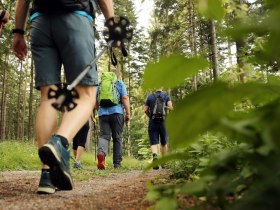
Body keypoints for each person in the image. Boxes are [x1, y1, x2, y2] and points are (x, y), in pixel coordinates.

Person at [12, 0, 116, 194]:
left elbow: (22, 1)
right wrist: (112, 25)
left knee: (48, 97)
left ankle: (47, 174)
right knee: (86, 95)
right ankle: (60, 142)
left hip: (40, 22)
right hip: (76, 17)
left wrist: (18, 32)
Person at [95, 68, 130, 170]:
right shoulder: (119, 83)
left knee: (104, 136)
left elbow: (95, 100)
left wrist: (99, 111)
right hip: (117, 112)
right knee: (117, 138)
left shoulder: (100, 84)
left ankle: (101, 154)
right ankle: (117, 164)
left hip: (103, 114)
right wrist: (128, 113)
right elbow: (124, 98)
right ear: (116, 75)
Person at [144, 89, 173, 169]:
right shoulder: (166, 96)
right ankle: (163, 162)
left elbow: (145, 110)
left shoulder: (150, 96)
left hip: (153, 121)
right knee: (164, 142)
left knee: (154, 141)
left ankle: (155, 156)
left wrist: (150, 116)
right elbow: (171, 108)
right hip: (164, 122)